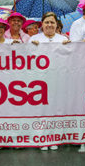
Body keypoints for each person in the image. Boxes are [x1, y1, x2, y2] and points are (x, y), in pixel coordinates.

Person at [29, 12, 70, 151]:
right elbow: (27, 58)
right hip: (40, 81)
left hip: (58, 80)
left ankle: (54, 138)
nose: (49, 25)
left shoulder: (63, 39)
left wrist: (69, 46)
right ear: (42, 24)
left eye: (52, 22)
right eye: (47, 22)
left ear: (56, 24)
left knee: (56, 110)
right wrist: (31, 47)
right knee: (41, 111)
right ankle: (41, 137)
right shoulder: (34, 38)